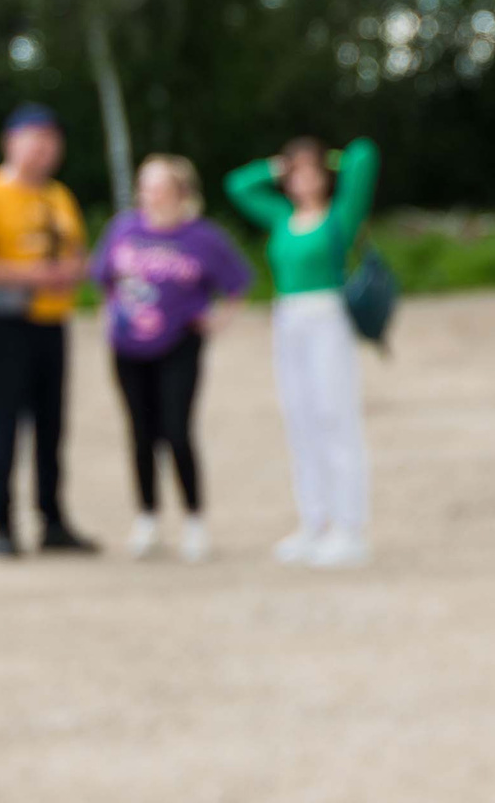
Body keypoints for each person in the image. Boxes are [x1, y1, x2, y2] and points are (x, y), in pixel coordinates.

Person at [0, 104, 98, 560]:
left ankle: (52, 519)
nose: (45, 149)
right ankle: (2, 523)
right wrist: (34, 276)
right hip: (8, 321)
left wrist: (75, 271)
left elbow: (76, 254)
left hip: (53, 322)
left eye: (52, 141)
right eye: (35, 139)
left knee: (51, 424)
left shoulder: (58, 197)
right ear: (10, 143)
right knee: (5, 423)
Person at [225, 135, 379, 569]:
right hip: (287, 318)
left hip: (328, 315)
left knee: (336, 417)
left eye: (310, 172)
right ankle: (315, 522)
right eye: (296, 173)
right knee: (300, 419)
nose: (303, 179)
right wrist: (279, 165)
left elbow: (364, 157)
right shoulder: (281, 217)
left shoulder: (339, 218)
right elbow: (237, 186)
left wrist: (323, 158)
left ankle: (350, 528)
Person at [89, 154, 252, 565]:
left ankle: (195, 519)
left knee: (177, 430)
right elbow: (104, 278)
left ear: (181, 192)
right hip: (127, 347)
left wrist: (218, 320)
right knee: (141, 432)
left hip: (179, 344)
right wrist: (108, 311)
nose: (150, 195)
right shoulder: (124, 229)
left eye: (159, 186)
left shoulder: (203, 237)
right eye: (145, 186)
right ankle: (147, 517)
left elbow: (238, 283)